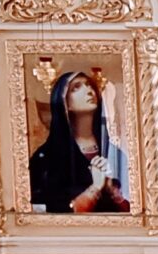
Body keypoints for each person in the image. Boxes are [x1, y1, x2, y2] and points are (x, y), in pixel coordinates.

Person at [29, 69, 130, 213]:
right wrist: (95, 188)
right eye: (76, 87)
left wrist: (111, 190)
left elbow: (132, 210)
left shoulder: (113, 152)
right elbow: (43, 211)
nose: (89, 91)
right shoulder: (48, 157)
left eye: (89, 85)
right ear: (65, 102)